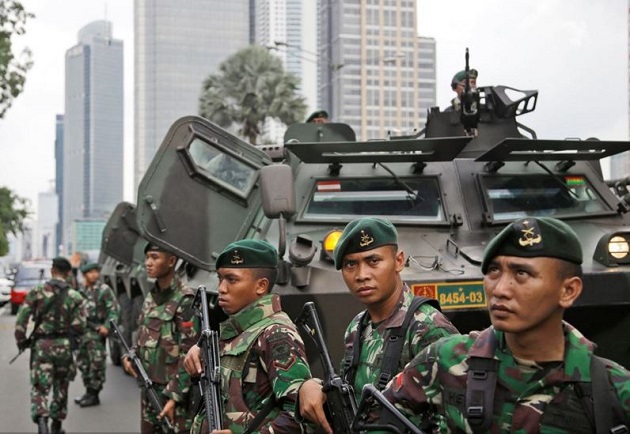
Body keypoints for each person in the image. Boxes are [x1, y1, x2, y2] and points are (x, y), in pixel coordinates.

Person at [370, 217, 630, 432]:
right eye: (494, 271)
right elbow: (377, 423)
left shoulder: (612, 391)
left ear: (568, 291)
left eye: (522, 273)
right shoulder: (443, 361)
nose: (500, 289)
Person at [298, 217, 459, 434]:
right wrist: (312, 387)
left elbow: (457, 418)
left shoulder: (428, 328)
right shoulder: (357, 327)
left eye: (373, 261)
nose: (362, 275)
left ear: (399, 261)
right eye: (350, 265)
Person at [184, 239, 313, 434]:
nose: (221, 288)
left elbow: (299, 417)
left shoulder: (276, 334)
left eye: (232, 279)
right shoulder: (239, 329)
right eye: (220, 279)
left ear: (261, 286)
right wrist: (200, 351)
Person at [122, 243, 200, 434]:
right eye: (147, 257)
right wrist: (130, 355)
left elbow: (189, 354)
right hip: (148, 390)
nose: (148, 263)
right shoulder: (151, 297)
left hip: (173, 396)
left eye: (155, 257)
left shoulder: (185, 299)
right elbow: (143, 336)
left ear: (171, 261)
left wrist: (174, 397)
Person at [15, 256, 87, 434]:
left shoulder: (38, 292)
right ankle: (57, 426)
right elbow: (81, 326)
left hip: (42, 345)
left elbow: (21, 320)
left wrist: (21, 341)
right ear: (68, 273)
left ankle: (42, 422)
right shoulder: (75, 296)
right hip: (64, 346)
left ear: (52, 270)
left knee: (40, 387)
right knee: (61, 385)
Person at [73, 262, 120, 407]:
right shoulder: (80, 289)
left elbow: (113, 310)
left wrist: (106, 326)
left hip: (96, 332)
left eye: (96, 272)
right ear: (85, 274)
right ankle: (88, 391)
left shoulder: (103, 290)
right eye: (90, 272)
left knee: (96, 363)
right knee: (83, 362)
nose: (94, 275)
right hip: (81, 332)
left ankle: (94, 394)